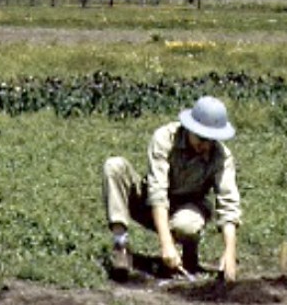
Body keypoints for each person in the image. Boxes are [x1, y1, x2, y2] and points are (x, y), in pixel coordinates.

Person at [102, 96, 241, 281]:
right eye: (201, 138)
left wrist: (229, 253)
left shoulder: (222, 156)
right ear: (189, 128)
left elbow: (228, 203)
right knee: (114, 166)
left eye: (211, 140)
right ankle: (121, 246)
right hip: (149, 202)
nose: (205, 145)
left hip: (188, 207)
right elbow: (157, 191)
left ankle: (189, 253)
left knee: (188, 226)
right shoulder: (164, 137)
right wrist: (166, 244)